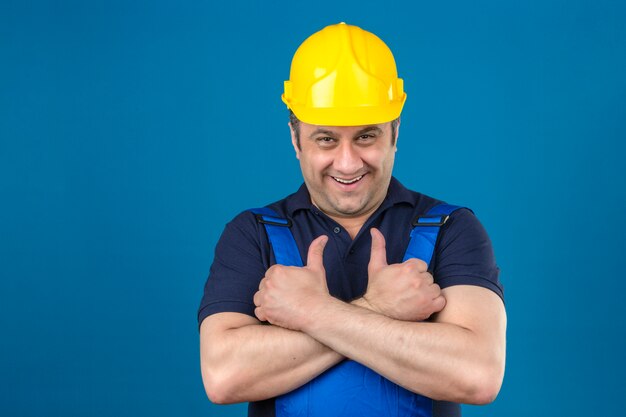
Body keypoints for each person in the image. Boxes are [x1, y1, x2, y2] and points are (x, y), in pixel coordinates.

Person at [198, 22, 506, 417]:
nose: (347, 163)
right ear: (296, 140)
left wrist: (311, 314)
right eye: (326, 139)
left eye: (366, 136)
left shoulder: (453, 228)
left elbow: (477, 375)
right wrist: (380, 306)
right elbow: (224, 376)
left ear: (395, 133)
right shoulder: (252, 233)